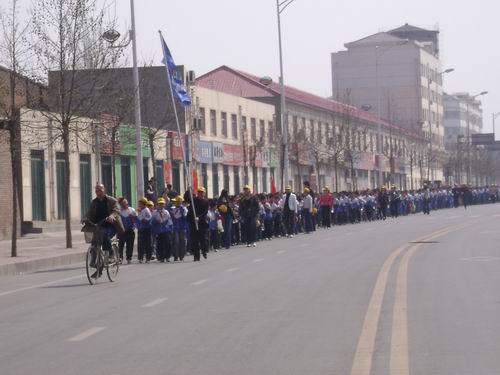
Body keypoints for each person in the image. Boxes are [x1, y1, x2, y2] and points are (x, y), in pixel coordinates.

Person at [84, 183, 124, 277]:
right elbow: (89, 213)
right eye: (97, 190)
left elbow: (117, 210)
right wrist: (84, 218)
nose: (98, 192)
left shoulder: (111, 200)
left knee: (105, 235)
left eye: (100, 190)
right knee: (94, 245)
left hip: (111, 226)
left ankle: (111, 254)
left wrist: (112, 216)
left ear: (104, 190)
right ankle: (96, 265)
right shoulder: (94, 202)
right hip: (98, 226)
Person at [185, 187, 209, 261]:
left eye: (202, 192)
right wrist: (188, 190)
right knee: (194, 240)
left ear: (204, 193)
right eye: (199, 192)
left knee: (203, 240)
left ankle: (204, 251)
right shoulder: (193, 200)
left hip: (201, 222)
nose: (200, 193)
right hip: (193, 222)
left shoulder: (206, 202)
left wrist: (199, 218)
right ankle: (196, 256)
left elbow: (205, 212)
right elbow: (186, 198)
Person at [152, 197, 172, 262]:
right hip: (158, 230)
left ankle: (168, 256)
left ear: (164, 204)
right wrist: (156, 221)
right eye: (160, 204)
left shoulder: (166, 212)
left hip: (166, 230)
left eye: (162, 204)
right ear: (157, 204)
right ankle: (161, 257)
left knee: (167, 243)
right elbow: (152, 222)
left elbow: (169, 221)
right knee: (160, 244)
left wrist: (170, 228)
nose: (161, 205)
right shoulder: (155, 213)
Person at [117, 197, 136, 264]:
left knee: (130, 245)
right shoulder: (119, 211)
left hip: (130, 230)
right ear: (121, 204)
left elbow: (135, 220)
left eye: (126, 202)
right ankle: (120, 258)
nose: (125, 204)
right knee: (121, 245)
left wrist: (134, 226)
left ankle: (129, 258)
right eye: (123, 203)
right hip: (121, 231)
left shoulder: (132, 210)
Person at [170, 195, 188, 261]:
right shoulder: (173, 209)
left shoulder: (184, 209)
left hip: (182, 227)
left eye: (178, 201)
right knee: (176, 242)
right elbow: (172, 218)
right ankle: (175, 256)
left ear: (180, 202)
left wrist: (182, 213)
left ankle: (181, 255)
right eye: (176, 201)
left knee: (182, 241)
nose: (176, 203)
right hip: (175, 227)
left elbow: (186, 218)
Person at [137, 197, 153, 263]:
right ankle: (140, 257)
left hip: (146, 229)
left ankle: (148, 257)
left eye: (140, 203)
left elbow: (149, 218)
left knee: (147, 243)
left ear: (143, 204)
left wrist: (145, 220)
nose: (139, 204)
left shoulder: (146, 210)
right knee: (140, 244)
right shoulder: (141, 210)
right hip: (141, 228)